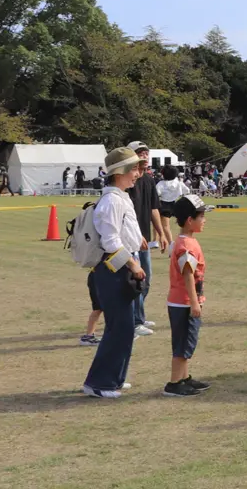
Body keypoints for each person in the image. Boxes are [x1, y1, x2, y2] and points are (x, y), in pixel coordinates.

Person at [82, 147, 150, 399]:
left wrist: (137, 239)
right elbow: (110, 241)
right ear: (119, 172)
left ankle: (114, 378)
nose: (138, 174)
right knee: (118, 327)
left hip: (121, 265)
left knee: (124, 326)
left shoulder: (120, 197)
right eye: (134, 169)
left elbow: (120, 232)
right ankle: (100, 382)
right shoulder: (111, 200)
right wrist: (133, 264)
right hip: (114, 268)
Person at [164, 195, 213, 398]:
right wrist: (194, 303)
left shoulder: (188, 241)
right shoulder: (186, 246)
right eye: (201, 216)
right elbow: (187, 275)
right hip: (183, 303)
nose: (204, 220)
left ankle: (184, 378)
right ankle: (174, 383)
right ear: (189, 220)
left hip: (184, 301)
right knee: (183, 344)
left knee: (187, 342)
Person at [125, 142, 167, 337]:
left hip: (144, 239)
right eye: (140, 153)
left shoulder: (148, 180)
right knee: (137, 279)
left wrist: (162, 233)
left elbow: (153, 208)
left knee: (146, 279)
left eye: (146, 153)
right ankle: (135, 320)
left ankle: (138, 314)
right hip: (130, 240)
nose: (145, 156)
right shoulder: (127, 181)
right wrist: (136, 233)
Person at [79, 268, 103, 347]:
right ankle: (88, 337)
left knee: (99, 309)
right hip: (98, 278)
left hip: (99, 277)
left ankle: (89, 336)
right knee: (98, 309)